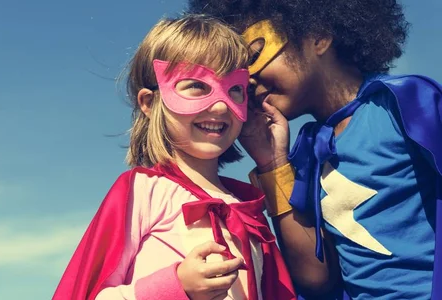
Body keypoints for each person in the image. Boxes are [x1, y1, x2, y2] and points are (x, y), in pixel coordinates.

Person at [188, 1, 442, 299]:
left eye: (255, 57)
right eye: (241, 74)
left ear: (318, 36)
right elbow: (315, 279)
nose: (250, 81)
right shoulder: (307, 152)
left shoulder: (406, 102)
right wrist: (273, 163)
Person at [52, 14, 295, 300]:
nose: (219, 107)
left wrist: (272, 161)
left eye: (234, 90)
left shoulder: (248, 207)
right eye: (196, 86)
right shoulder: (144, 191)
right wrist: (176, 286)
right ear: (150, 102)